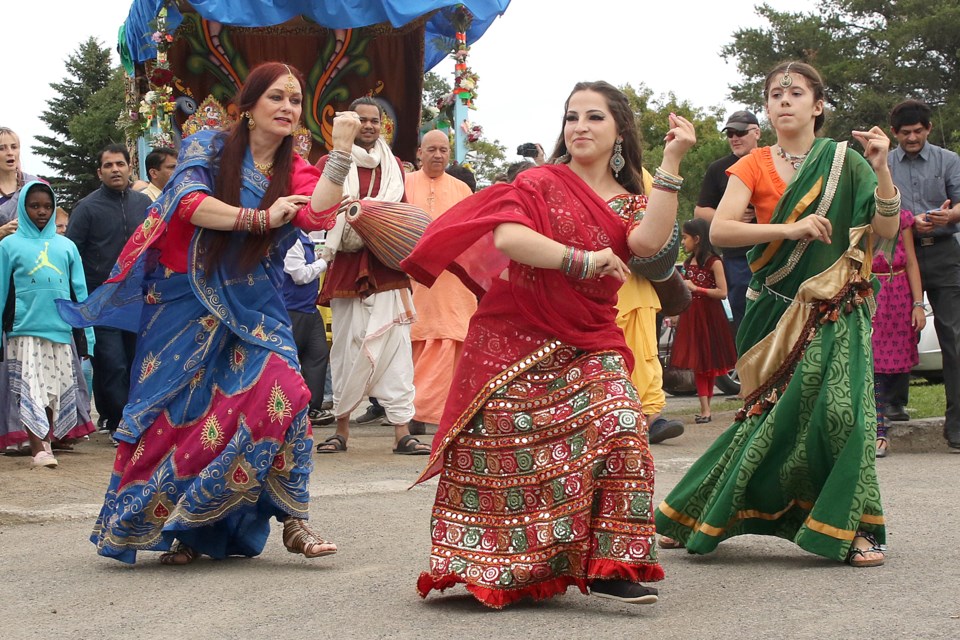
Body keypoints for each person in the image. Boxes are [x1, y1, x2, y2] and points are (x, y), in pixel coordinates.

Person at [404, 81, 696, 608]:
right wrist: (581, 260)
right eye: (571, 117)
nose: (579, 126)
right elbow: (508, 239)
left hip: (589, 335)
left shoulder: (633, 203)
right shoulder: (539, 181)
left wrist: (672, 159)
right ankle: (490, 562)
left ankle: (612, 565)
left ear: (619, 132)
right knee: (498, 442)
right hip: (514, 333)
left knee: (623, 424)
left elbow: (649, 246)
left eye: (594, 117)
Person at [59, 62, 342, 565]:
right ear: (250, 107)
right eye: (276, 97)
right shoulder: (208, 145)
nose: (287, 108)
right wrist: (258, 218)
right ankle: (182, 530)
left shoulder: (293, 166)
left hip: (255, 299)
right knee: (187, 413)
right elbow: (187, 202)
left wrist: (339, 155)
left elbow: (317, 212)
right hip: (184, 295)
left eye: (295, 101)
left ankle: (295, 519)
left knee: (289, 391)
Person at [655, 61, 899, 569]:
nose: (784, 99)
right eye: (774, 93)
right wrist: (789, 231)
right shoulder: (752, 164)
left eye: (795, 92)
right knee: (766, 417)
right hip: (775, 309)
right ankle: (695, 511)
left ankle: (849, 524)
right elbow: (721, 230)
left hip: (836, 306)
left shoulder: (845, 161)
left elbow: (886, 230)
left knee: (842, 416)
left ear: (818, 104)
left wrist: (881, 168)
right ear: (767, 108)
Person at [314, 96, 427, 455]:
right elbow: (322, 210)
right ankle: (341, 431)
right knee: (347, 350)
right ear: (348, 124)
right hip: (347, 267)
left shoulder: (394, 165)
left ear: (383, 125)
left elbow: (403, 215)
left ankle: (402, 433)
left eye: (374, 121)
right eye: (361, 120)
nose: (368, 126)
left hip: (387, 269)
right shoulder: (331, 161)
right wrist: (354, 220)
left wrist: (381, 226)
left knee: (396, 352)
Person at [0, 182, 95, 467]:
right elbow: (2, 290)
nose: (42, 212)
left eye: (47, 206)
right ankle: (38, 448)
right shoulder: (8, 245)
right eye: (34, 206)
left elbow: (80, 292)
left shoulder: (66, 246)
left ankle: (47, 440)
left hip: (61, 330)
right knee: (30, 389)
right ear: (23, 208)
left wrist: (87, 335)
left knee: (54, 389)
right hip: (24, 330)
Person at [887, 99, 960, 448]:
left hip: (945, 254)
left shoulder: (948, 160)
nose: (912, 137)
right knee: (898, 332)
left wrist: (952, 216)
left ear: (928, 129)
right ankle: (893, 406)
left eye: (918, 131)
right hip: (901, 256)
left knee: (954, 337)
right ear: (894, 134)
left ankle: (957, 423)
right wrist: (907, 222)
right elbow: (877, 208)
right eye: (905, 133)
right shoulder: (884, 165)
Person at [67, 144, 151, 436]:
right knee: (112, 362)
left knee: (138, 361)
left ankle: (133, 419)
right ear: (99, 172)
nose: (115, 169)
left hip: (140, 300)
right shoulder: (87, 208)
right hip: (103, 300)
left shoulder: (144, 204)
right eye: (108, 165)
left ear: (130, 168)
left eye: (120, 164)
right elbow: (73, 253)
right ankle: (118, 422)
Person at [405, 130, 476, 435]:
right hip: (415, 279)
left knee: (450, 341)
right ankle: (413, 411)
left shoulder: (462, 189)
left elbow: (474, 233)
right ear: (419, 153)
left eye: (443, 150)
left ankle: (440, 414)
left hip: (454, 282)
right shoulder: (403, 184)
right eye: (431, 149)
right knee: (417, 342)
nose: (438, 155)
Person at [695, 110, 762, 330]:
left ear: (757, 133)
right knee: (743, 313)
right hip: (738, 257)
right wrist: (728, 217)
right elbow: (700, 211)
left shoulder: (774, 161)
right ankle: (745, 363)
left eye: (740, 132)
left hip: (776, 250)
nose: (734, 138)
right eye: (730, 133)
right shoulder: (718, 168)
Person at [670, 217, 737, 423]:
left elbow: (723, 292)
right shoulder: (688, 262)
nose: (683, 242)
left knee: (708, 362)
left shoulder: (714, 262)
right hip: (691, 315)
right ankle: (704, 408)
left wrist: (696, 288)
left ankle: (706, 409)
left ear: (697, 238)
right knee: (698, 362)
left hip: (710, 315)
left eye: (685, 237)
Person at [872, 208, 925, 457]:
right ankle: (879, 430)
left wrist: (918, 305)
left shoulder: (902, 217)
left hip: (899, 293)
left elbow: (912, 261)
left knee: (894, 363)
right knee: (873, 365)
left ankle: (884, 415)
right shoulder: (856, 215)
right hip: (870, 292)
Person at [282, 229, 334, 427]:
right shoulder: (291, 238)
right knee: (290, 362)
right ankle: (290, 409)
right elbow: (300, 275)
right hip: (291, 310)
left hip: (310, 309)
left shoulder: (305, 237)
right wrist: (324, 261)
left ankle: (313, 408)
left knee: (318, 355)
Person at [0, 127, 40, 230]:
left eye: (14, 147)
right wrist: (2, 232)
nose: (10, 152)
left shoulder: (34, 185)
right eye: (1, 148)